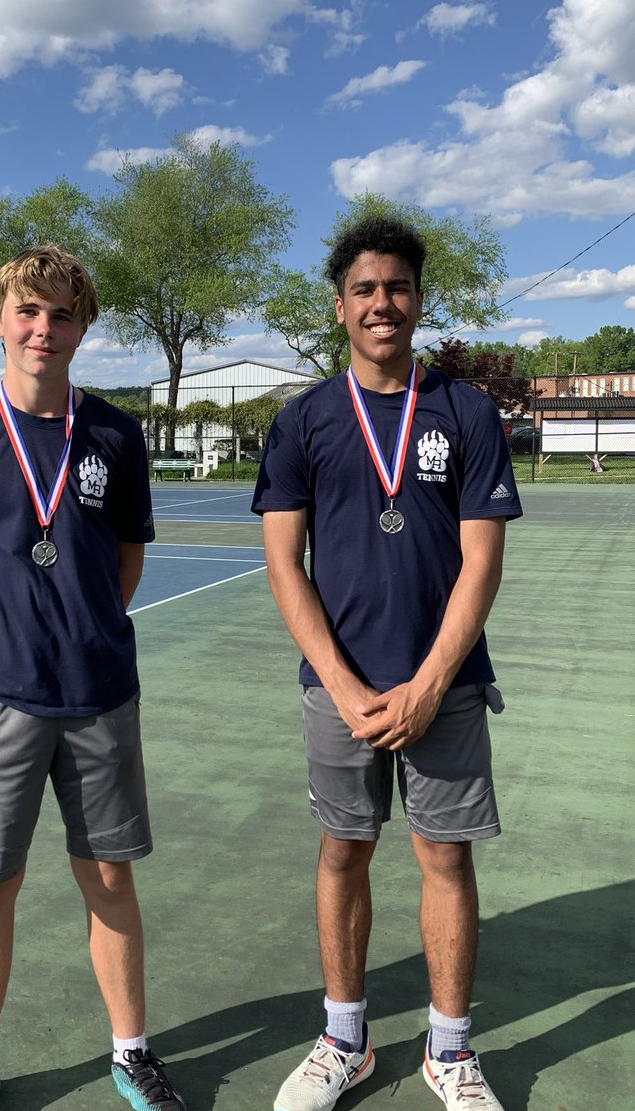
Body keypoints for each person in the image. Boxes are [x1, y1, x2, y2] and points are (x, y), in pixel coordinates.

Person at [251, 216, 522, 1111]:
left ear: (417, 301)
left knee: (444, 859)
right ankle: (345, 1039)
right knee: (344, 854)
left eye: (397, 288)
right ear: (340, 309)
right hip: (341, 692)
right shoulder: (303, 421)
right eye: (364, 290)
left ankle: (450, 1051)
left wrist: (430, 683)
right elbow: (284, 564)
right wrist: (346, 685)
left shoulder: (465, 411)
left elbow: (482, 561)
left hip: (443, 687)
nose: (382, 304)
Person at [0, 245, 186, 1111]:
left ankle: (131, 1050)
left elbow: (126, 560)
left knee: (108, 876)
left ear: (82, 326)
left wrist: (81, 634)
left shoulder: (113, 432)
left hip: (99, 692)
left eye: (62, 314)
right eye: (28, 312)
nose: (44, 328)